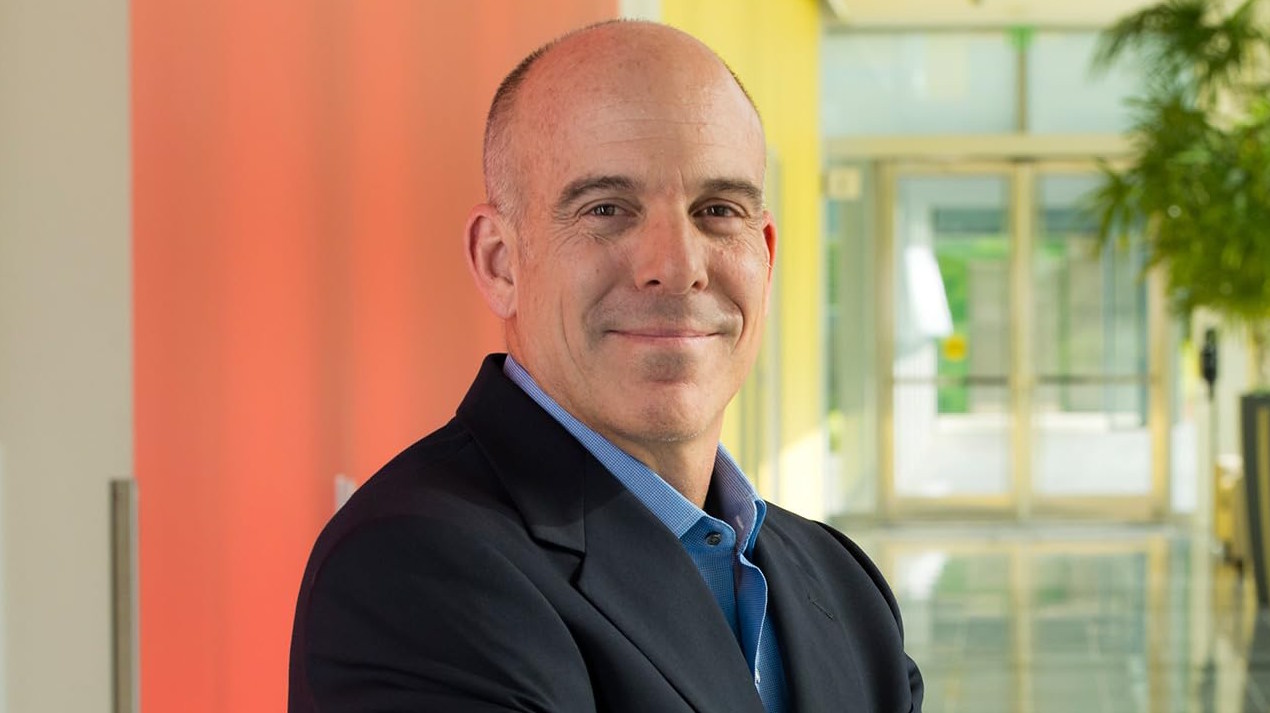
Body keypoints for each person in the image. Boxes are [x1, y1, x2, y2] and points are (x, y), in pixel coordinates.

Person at [288, 20, 923, 713]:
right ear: (500, 262)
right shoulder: (411, 569)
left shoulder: (844, 586)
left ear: (765, 256)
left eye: (717, 210)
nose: (676, 266)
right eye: (607, 209)